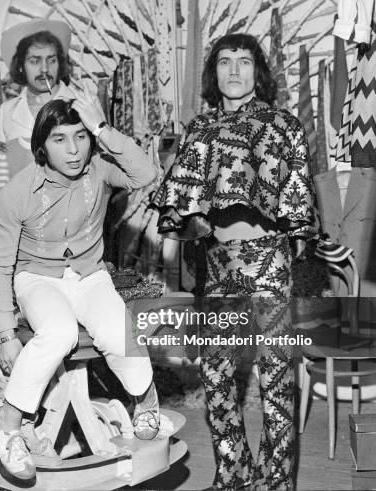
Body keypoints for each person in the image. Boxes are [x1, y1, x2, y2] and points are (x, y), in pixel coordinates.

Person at [158, 33, 319, 490]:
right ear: (214, 73)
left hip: (269, 261)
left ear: (257, 72)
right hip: (220, 265)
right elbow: (178, 211)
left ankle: (278, 481)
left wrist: (287, 252)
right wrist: (199, 229)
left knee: (275, 378)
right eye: (225, 62)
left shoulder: (283, 125)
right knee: (217, 374)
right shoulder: (199, 129)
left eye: (244, 62)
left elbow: (300, 207)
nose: (234, 71)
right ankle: (233, 474)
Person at [0, 93, 160, 485]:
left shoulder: (99, 168)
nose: (73, 149)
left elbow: (146, 174)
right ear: (41, 146)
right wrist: (5, 335)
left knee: (120, 332)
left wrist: (103, 129)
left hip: (89, 274)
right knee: (59, 332)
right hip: (36, 277)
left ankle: (145, 397)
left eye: (81, 136)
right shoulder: (18, 192)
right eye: (60, 139)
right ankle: (8, 421)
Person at [0, 19, 76, 197]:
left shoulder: (81, 104)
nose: (44, 69)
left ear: (61, 63)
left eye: (51, 60)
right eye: (35, 61)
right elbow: (0, 176)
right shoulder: (7, 111)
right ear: (21, 66)